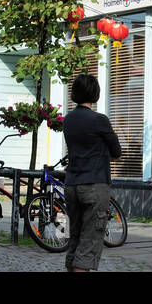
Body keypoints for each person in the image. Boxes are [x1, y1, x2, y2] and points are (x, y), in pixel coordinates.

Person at [61, 74, 121, 272]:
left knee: (75, 237)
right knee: (90, 240)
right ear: (95, 93)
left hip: (71, 184)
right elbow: (117, 151)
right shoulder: (100, 120)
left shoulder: (68, 120)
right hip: (94, 185)